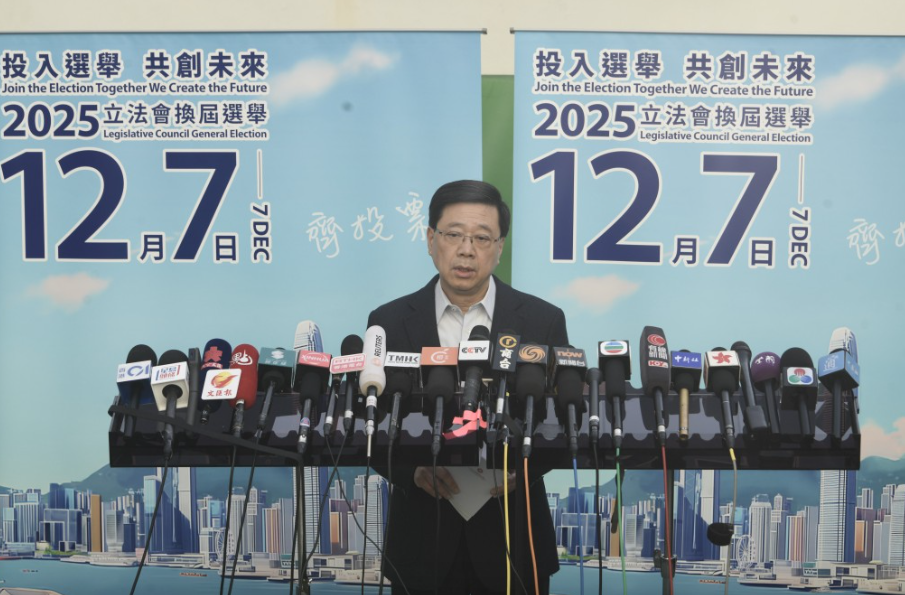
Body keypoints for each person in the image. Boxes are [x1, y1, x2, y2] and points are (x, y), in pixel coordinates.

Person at [368, 180, 569, 595]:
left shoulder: (542, 320)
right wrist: (412, 472)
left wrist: (522, 471)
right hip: (421, 540)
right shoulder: (388, 322)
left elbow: (560, 424)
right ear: (431, 239)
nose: (466, 250)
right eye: (454, 235)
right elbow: (373, 424)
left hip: (513, 538)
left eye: (481, 238)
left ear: (500, 247)